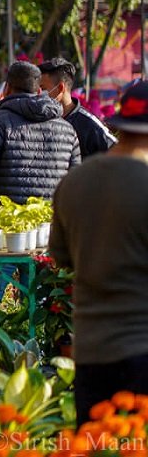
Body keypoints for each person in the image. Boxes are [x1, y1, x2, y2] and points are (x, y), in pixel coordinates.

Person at [49, 80, 148, 426]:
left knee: (95, 445)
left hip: (91, 349)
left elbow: (61, 257)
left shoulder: (74, 183)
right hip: (142, 347)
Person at [0, 61, 80, 307]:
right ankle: (34, 346)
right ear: (39, 90)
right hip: (45, 233)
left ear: (6, 88)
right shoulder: (67, 130)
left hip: (0, 232)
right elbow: (75, 187)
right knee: (40, 304)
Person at [38, 57, 117, 158]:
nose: (39, 94)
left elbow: (117, 153)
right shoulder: (39, 119)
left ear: (60, 88)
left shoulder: (90, 125)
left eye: (43, 88)